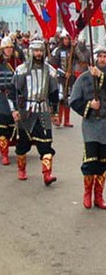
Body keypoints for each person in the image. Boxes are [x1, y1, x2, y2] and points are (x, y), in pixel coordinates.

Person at [70, 45, 106, 209]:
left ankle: (98, 196)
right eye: (99, 56)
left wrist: (100, 75)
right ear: (94, 58)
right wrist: (89, 105)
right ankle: (87, 194)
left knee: (105, 162)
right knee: (91, 161)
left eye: (104, 56)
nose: (102, 59)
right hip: (91, 124)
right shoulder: (83, 78)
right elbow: (73, 101)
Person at [10, 39, 59, 185]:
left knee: (46, 144)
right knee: (23, 144)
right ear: (31, 52)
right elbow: (13, 92)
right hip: (26, 111)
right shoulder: (22, 70)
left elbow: (54, 94)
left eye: (40, 51)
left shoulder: (50, 71)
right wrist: (14, 110)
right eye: (36, 51)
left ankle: (47, 174)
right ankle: (21, 169)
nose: (38, 53)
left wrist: (55, 113)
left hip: (43, 110)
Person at [0, 37, 22, 166]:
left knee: (13, 127)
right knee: (2, 127)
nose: (9, 50)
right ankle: (4, 154)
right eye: (6, 48)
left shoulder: (16, 63)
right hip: (1, 97)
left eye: (10, 48)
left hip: (13, 97)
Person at [50, 29, 76, 127]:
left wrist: (75, 46)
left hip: (70, 78)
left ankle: (67, 120)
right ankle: (59, 119)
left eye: (68, 39)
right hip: (60, 78)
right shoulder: (57, 51)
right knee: (60, 98)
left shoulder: (72, 50)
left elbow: (77, 61)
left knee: (68, 99)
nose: (66, 41)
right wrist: (63, 73)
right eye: (65, 39)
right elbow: (53, 65)